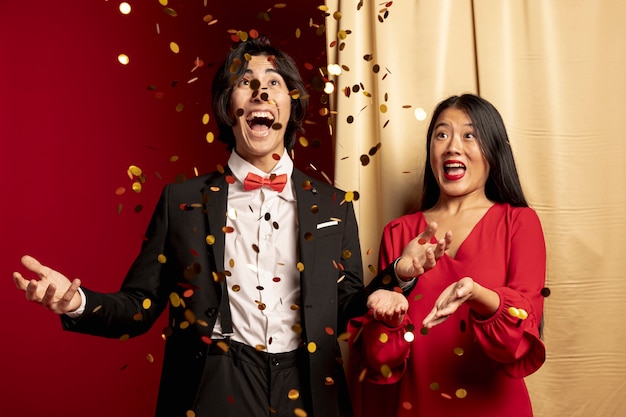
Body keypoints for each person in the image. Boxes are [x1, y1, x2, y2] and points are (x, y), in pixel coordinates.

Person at [12, 36, 402, 417]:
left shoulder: (334, 204)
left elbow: (345, 306)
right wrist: (78, 303)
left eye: (273, 83)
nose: (260, 93)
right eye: (245, 83)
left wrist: (396, 278)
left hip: (309, 386)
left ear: (291, 103)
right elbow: (138, 306)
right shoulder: (181, 202)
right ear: (226, 106)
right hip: (216, 382)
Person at [348, 94, 547, 417]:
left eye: (470, 135)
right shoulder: (398, 232)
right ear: (431, 152)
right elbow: (379, 361)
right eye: (442, 134)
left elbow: (521, 339)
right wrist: (390, 320)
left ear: (493, 150)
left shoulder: (519, 223)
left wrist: (477, 294)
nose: (453, 146)